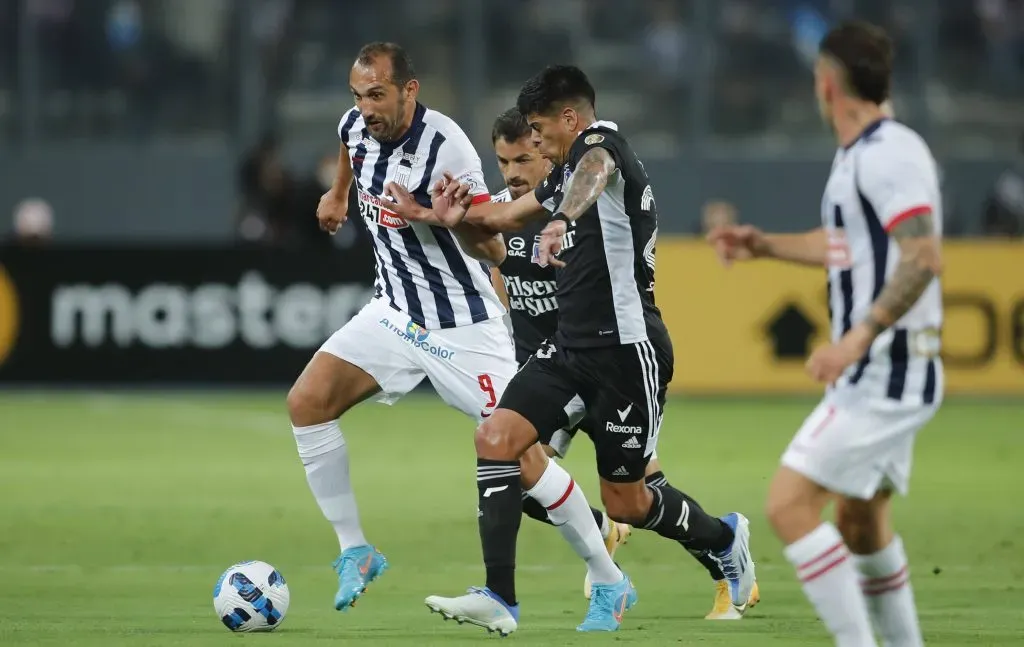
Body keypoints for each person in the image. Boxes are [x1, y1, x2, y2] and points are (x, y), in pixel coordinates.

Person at [387, 65, 757, 634]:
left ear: (570, 117)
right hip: (567, 350)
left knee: (629, 504)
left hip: (627, 356)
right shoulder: (562, 174)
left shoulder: (600, 145)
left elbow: (593, 170)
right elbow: (503, 218)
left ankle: (725, 537)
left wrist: (560, 218)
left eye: (539, 129)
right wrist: (438, 218)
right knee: (497, 439)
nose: (533, 141)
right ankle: (500, 596)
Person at [287, 42, 620, 617]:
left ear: (409, 91)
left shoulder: (448, 148)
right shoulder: (355, 126)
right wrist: (339, 193)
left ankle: (607, 575)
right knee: (307, 402)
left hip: (462, 325)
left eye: (377, 95)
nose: (365, 108)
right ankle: (356, 550)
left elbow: (491, 243)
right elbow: (348, 145)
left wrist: (445, 217)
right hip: (392, 313)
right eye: (358, 95)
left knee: (522, 457)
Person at [708, 21, 942, 647]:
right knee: (862, 524)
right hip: (889, 365)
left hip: (884, 367)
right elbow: (848, 248)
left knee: (788, 506)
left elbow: (922, 256)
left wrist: (857, 337)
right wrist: (764, 246)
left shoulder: (888, 152)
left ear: (828, 82)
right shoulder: (861, 155)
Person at [486, 106, 757, 619]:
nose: (515, 171)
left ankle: (721, 540)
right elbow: (500, 278)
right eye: (503, 161)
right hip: (552, 369)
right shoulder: (504, 211)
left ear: (549, 150)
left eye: (526, 155)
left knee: (637, 498)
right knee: (513, 469)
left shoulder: (590, 203)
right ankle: (602, 536)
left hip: (609, 365)